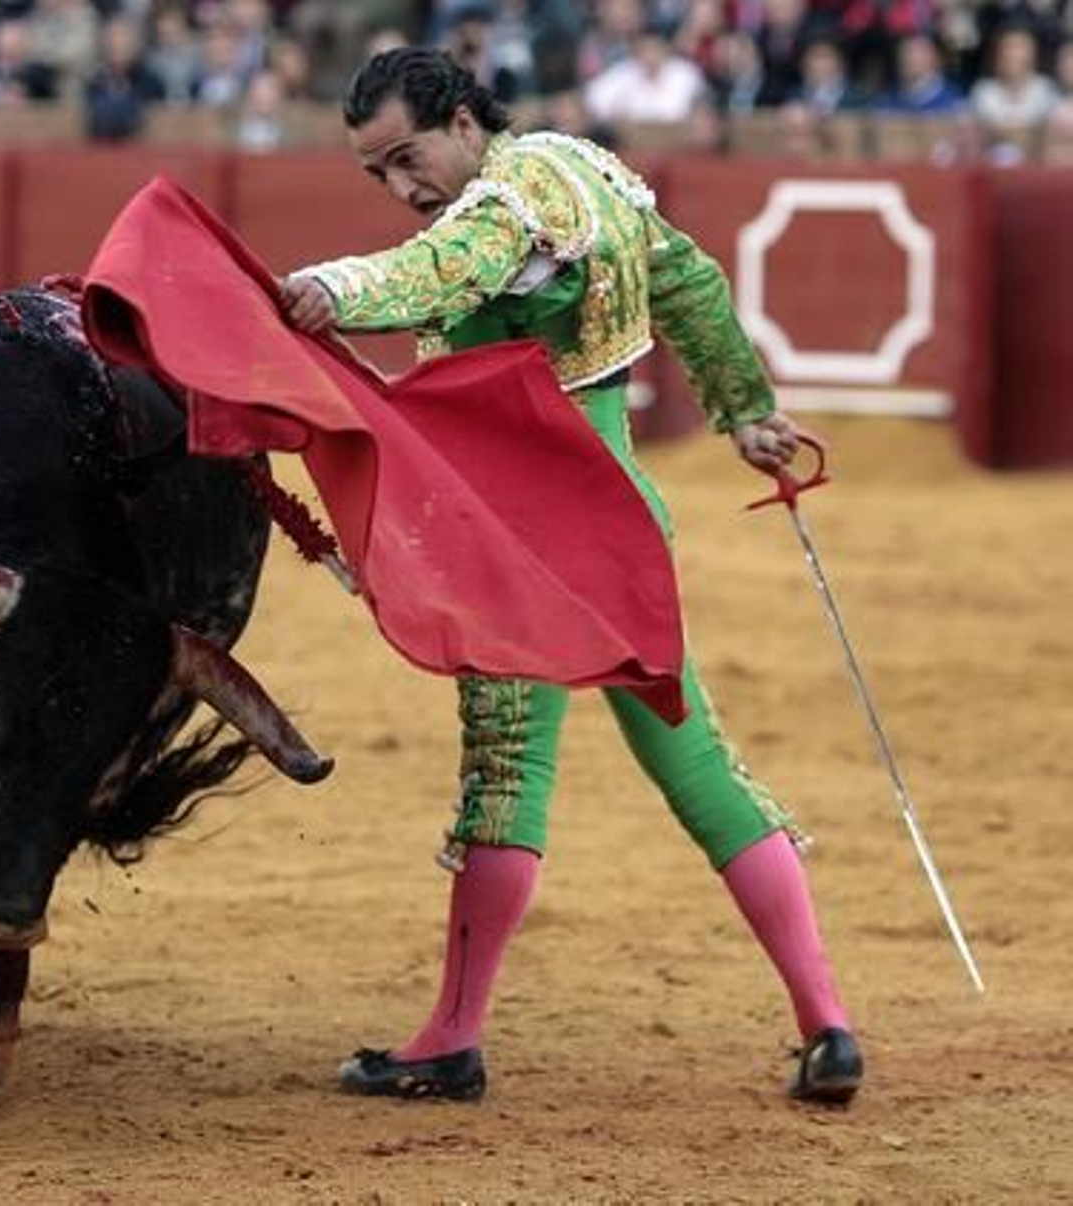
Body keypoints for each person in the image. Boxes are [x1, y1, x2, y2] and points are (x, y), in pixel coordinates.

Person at [279, 47, 863, 1106]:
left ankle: (452, 1039)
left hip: (522, 540)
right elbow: (688, 281)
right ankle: (828, 1025)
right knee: (698, 762)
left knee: (507, 773)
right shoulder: (584, 167)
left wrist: (333, 287)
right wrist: (744, 409)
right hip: (618, 520)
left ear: (463, 122)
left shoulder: (507, 204)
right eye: (377, 173)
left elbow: (441, 270)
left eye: (407, 156)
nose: (401, 188)